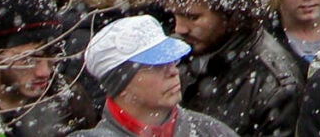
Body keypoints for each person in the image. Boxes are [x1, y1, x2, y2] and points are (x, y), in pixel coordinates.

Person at [160, 0, 305, 135]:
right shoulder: (172, 55)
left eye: (192, 18)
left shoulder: (274, 85)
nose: (179, 29)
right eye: (174, 15)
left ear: (231, 13)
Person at [76, 15, 238, 137]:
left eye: (172, 61)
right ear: (122, 85)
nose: (174, 72)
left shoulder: (212, 132)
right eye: (155, 66)